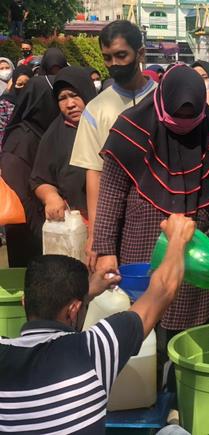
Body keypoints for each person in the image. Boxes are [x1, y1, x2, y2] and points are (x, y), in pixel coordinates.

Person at [0, 213, 195, 433]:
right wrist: (177, 237)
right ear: (74, 309)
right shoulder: (92, 350)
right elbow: (163, 290)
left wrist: (83, 295)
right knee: (173, 432)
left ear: (24, 302)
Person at [93, 65, 209, 335]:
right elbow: (111, 196)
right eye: (177, 115)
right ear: (163, 102)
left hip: (195, 256)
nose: (183, 123)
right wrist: (105, 251)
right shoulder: (131, 129)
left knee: (186, 340)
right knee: (141, 328)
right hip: (141, 247)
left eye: (190, 116)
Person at [69, 20, 156, 272]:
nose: (114, 64)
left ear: (140, 54)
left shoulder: (164, 101)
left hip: (160, 215)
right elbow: (94, 173)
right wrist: (97, 235)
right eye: (107, 57)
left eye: (121, 55)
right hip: (115, 218)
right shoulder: (96, 109)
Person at [0, 58, 63, 266]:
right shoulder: (21, 141)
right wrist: (48, 236)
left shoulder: (41, 134)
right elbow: (21, 201)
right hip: (32, 239)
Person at [30, 67, 96, 222]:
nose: (70, 104)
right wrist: (50, 196)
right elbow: (40, 179)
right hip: (76, 222)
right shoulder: (54, 135)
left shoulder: (108, 127)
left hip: (112, 219)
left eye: (74, 95)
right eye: (62, 98)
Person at [0, 64, 33, 146]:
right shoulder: (5, 104)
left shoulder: (35, 103)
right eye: (19, 84)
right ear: (14, 83)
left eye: (27, 85)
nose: (23, 88)